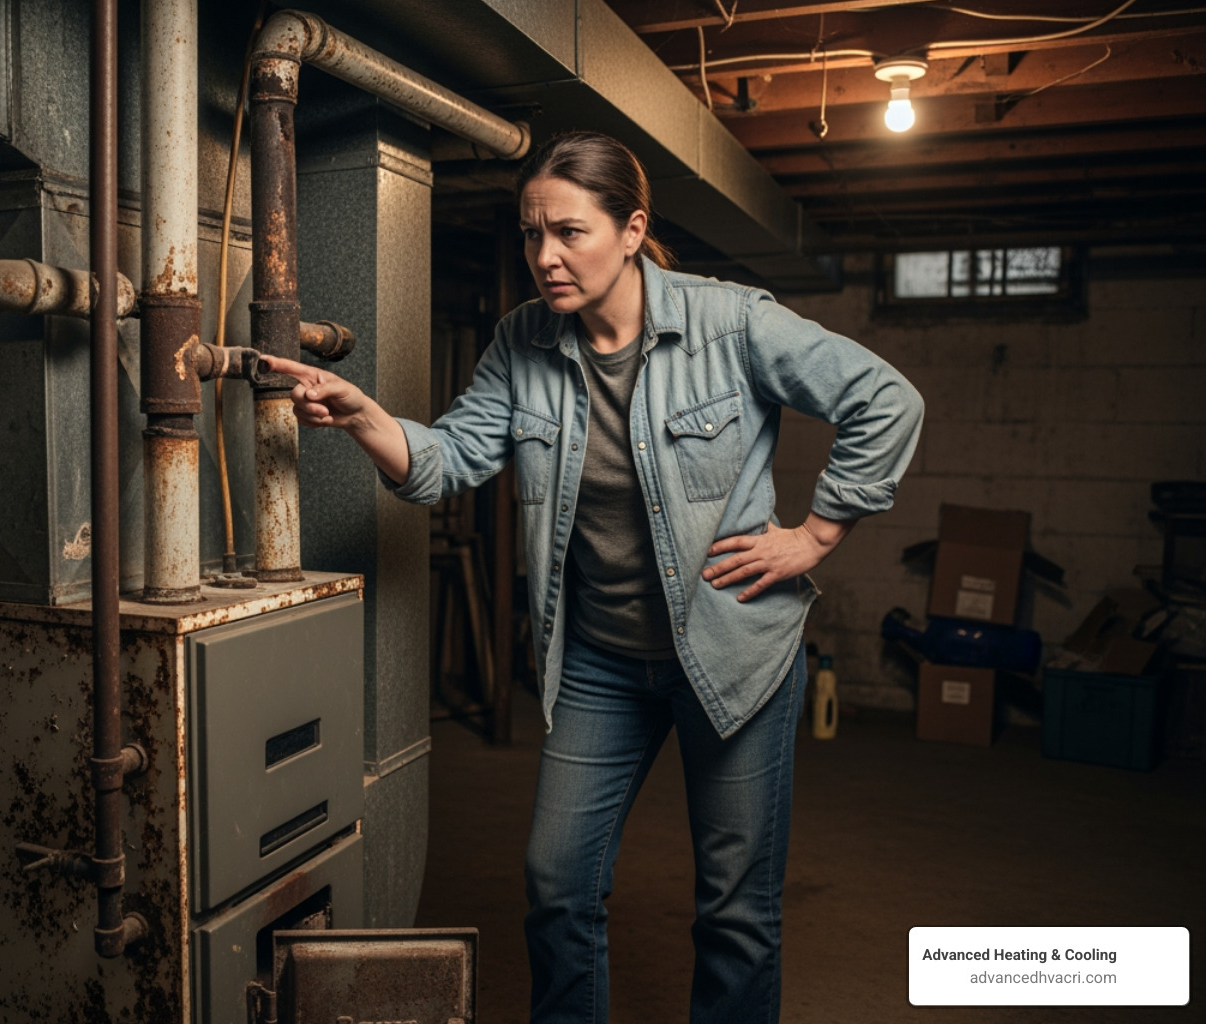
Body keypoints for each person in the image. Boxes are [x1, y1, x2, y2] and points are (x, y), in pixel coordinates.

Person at [261, 130, 923, 1024]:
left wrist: (814, 535)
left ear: (631, 227)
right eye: (532, 234)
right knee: (558, 882)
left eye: (569, 232)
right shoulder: (522, 341)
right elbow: (449, 458)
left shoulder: (731, 323)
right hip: (603, 664)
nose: (545, 257)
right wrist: (364, 415)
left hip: (733, 655)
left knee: (736, 907)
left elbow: (885, 400)